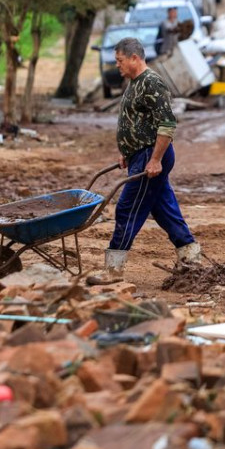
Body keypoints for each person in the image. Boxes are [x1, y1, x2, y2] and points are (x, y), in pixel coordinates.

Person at [87, 37, 202, 285]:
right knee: (164, 209)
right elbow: (135, 121)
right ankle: (191, 257)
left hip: (151, 155)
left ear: (134, 58)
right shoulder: (134, 83)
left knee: (127, 209)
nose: (117, 65)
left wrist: (155, 160)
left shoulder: (152, 83)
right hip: (140, 155)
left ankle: (113, 270)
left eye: (119, 60)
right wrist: (126, 151)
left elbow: (167, 124)